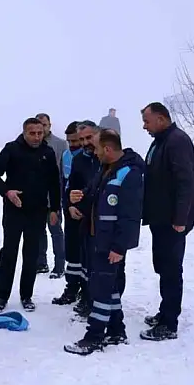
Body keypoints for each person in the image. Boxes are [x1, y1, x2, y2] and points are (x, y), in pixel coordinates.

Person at [64, 129, 145, 355]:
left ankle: (94, 336)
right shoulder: (106, 168)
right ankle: (117, 330)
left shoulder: (129, 173)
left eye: (98, 148)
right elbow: (93, 196)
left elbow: (130, 215)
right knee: (109, 287)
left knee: (101, 290)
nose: (95, 152)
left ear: (107, 149)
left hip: (111, 243)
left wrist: (120, 246)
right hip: (97, 239)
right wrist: (78, 198)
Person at [139, 102, 194, 341]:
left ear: (161, 118)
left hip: (173, 220)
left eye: (147, 121)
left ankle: (169, 323)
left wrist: (180, 218)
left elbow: (186, 182)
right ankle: (164, 311)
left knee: (171, 269)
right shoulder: (161, 141)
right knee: (163, 266)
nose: (144, 126)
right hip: (161, 217)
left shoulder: (177, 141)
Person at [0, 117, 61, 313]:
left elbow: (54, 183)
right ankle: (1, 296)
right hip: (14, 210)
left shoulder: (47, 152)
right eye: (32, 133)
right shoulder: (12, 149)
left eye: (40, 133)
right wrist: (7, 192)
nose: (37, 137)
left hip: (37, 211)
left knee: (31, 254)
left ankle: (26, 295)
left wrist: (54, 208)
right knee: (9, 252)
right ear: (24, 132)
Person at [52, 120, 98, 306]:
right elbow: (68, 184)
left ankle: (88, 294)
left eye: (84, 139)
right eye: (72, 141)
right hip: (73, 212)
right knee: (72, 252)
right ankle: (72, 288)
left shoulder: (104, 157)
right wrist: (69, 205)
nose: (77, 144)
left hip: (93, 216)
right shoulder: (73, 158)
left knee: (89, 257)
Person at [35, 113, 67, 276]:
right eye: (39, 125)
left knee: (56, 231)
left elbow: (64, 172)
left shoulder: (60, 144)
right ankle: (41, 263)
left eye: (45, 125)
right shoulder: (31, 144)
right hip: (36, 199)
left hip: (54, 197)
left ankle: (60, 265)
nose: (42, 128)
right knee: (39, 231)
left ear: (49, 125)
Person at [50, 121, 81, 281]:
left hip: (85, 207)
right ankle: (72, 281)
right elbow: (62, 180)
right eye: (69, 141)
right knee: (71, 244)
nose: (72, 144)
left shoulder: (91, 156)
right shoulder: (66, 155)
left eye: (75, 141)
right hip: (68, 206)